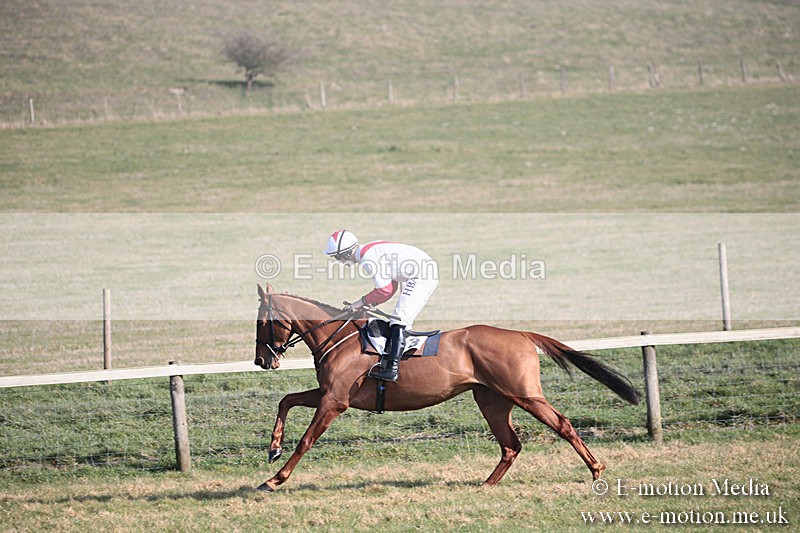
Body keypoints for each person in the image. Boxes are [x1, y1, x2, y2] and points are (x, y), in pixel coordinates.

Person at [323, 230, 438, 382]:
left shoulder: (368, 259)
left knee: (399, 319)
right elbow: (390, 288)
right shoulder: (368, 251)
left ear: (346, 254)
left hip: (421, 274)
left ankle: (392, 370)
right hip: (419, 271)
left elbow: (385, 290)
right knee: (400, 319)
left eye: (337, 257)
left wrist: (359, 304)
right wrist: (370, 302)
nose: (339, 261)